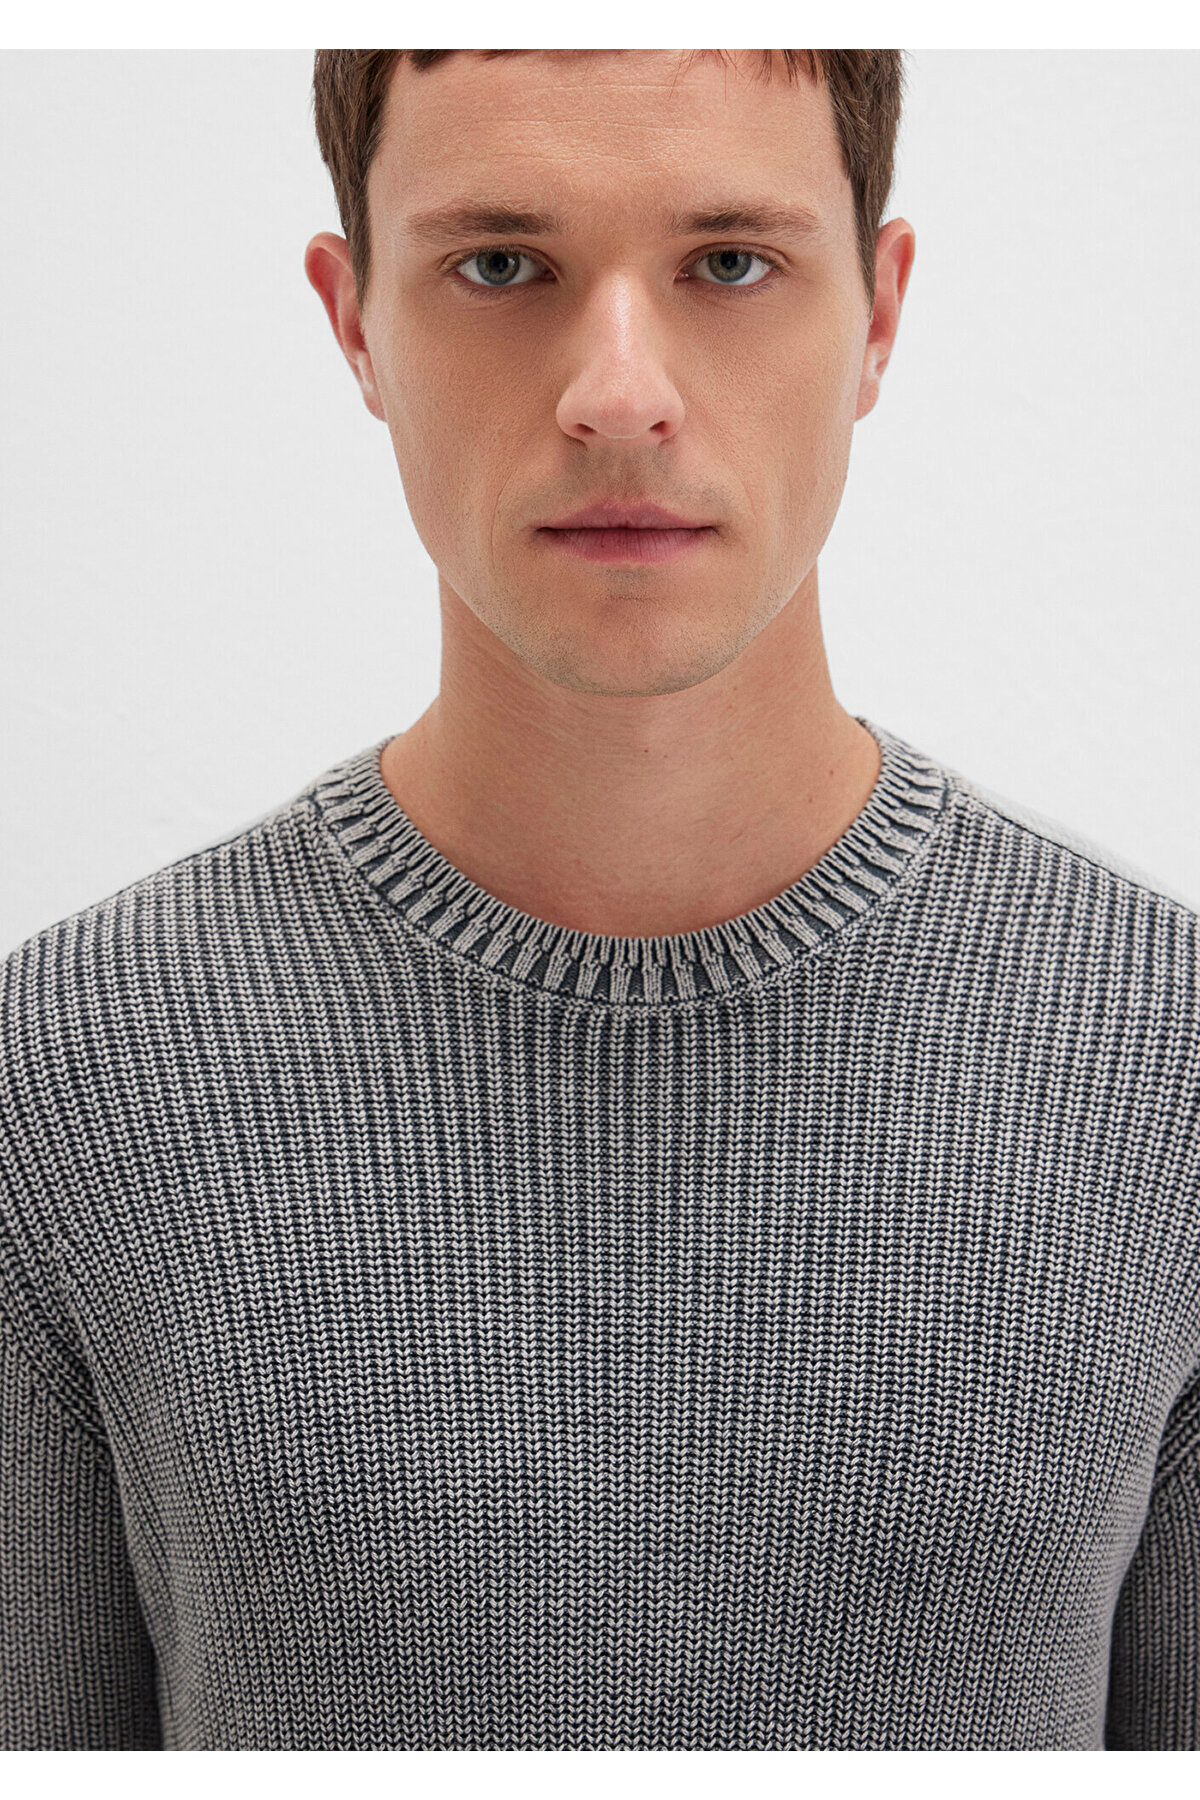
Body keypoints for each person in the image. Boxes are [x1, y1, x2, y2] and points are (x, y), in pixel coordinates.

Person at [1, 47, 1196, 1753]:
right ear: (354, 322)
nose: (618, 394)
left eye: (731, 262)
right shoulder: (60, 1079)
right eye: (502, 265)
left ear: (879, 313)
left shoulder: (1166, 1065)